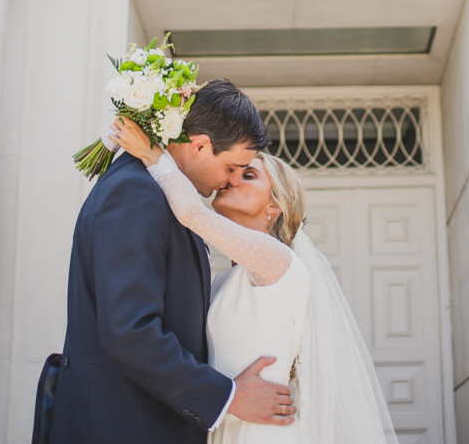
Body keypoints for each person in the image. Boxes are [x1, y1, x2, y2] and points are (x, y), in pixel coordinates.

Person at [113, 114, 399, 444]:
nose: (231, 180)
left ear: (274, 206)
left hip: (264, 433)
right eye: (232, 171)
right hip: (227, 425)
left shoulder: (277, 260)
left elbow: (192, 213)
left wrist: (154, 155)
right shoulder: (222, 281)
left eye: (247, 175)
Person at [49, 80, 297, 444]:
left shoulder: (164, 196)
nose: (229, 181)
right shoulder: (138, 192)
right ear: (200, 145)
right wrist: (227, 396)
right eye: (232, 167)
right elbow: (130, 332)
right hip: (126, 427)